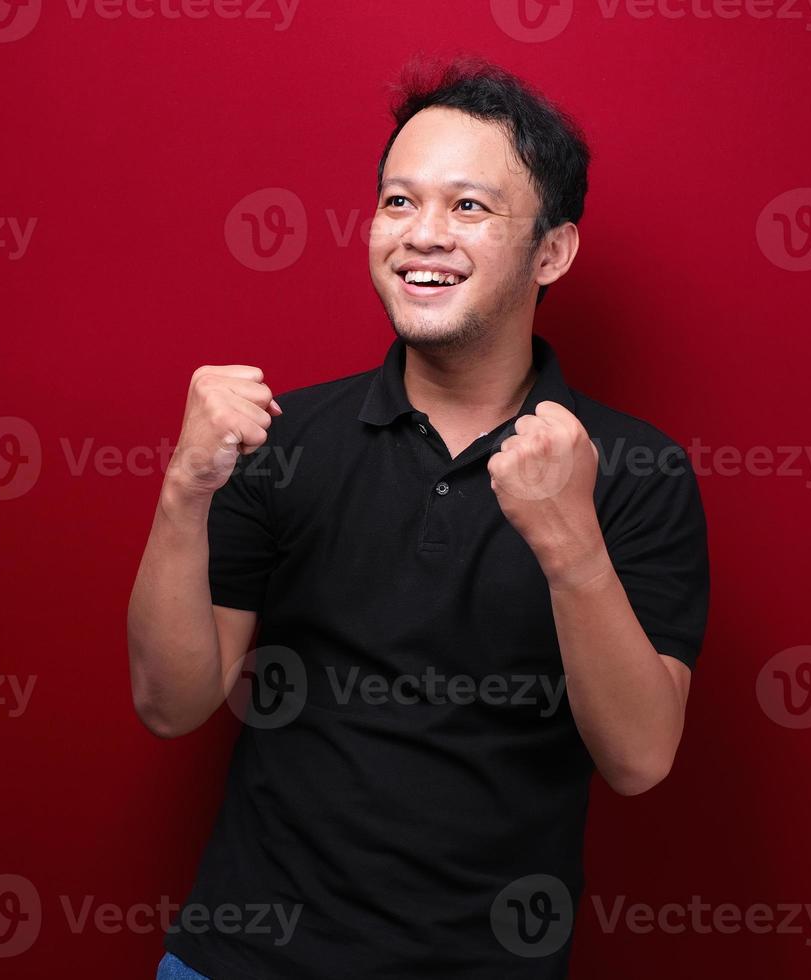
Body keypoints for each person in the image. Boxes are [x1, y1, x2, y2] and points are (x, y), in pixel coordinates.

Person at [128, 54, 710, 980]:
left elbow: (640, 758)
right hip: (242, 961)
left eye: (469, 208)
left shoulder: (638, 471)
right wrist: (182, 491)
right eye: (399, 203)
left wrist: (570, 546)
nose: (422, 236)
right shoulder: (283, 440)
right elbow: (171, 703)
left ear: (552, 252)